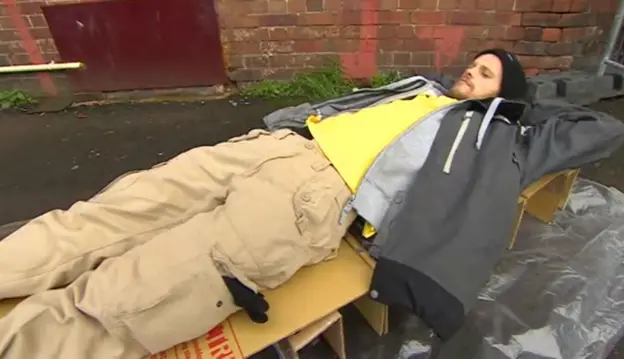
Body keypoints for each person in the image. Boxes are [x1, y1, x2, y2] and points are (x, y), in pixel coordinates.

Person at [0, 48, 528, 359]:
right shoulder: (422, 90)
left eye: (486, 74)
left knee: (147, 285)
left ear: (505, 98)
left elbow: (579, 133)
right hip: (275, 148)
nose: (469, 73)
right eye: (473, 65)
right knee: (104, 216)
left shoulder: (487, 139)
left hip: (318, 194)